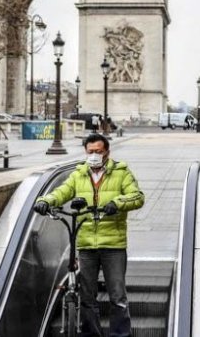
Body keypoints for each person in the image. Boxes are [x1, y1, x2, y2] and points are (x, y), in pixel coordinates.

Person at [33, 133, 144, 337]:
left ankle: (120, 335)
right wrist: (45, 201)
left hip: (113, 245)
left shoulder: (121, 172)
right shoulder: (78, 174)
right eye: (90, 151)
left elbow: (137, 197)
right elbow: (62, 192)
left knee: (117, 296)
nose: (94, 155)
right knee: (87, 297)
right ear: (85, 151)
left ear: (107, 152)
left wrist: (116, 204)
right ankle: (92, 334)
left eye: (98, 152)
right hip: (85, 244)